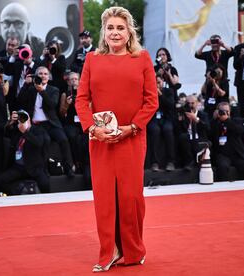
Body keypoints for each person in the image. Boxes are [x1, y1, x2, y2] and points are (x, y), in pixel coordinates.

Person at [75, 7, 158, 272]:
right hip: (100, 140)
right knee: (104, 198)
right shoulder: (92, 59)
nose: (115, 32)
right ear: (104, 32)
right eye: (110, 28)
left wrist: (131, 127)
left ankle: (133, 250)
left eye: (120, 28)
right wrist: (92, 129)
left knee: (131, 197)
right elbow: (82, 99)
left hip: (132, 138)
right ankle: (109, 252)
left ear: (129, 31)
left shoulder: (142, 58)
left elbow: (151, 100)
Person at [17, 66, 75, 177]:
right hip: (37, 125)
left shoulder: (54, 89)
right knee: (45, 141)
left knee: (63, 139)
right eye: (40, 74)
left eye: (45, 74)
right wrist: (25, 84)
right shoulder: (30, 89)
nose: (43, 76)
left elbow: (52, 104)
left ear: (48, 77)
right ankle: (44, 170)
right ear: (36, 76)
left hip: (51, 123)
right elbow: (19, 101)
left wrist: (42, 91)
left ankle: (69, 167)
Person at [0, 110, 50, 194]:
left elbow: (39, 143)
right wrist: (10, 123)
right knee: (1, 180)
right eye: (20, 119)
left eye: (25, 118)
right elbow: (3, 132)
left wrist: (25, 132)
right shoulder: (16, 131)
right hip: (18, 167)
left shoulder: (38, 130)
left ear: (29, 120)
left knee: (45, 183)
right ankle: (18, 193)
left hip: (34, 167)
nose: (22, 121)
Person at [210, 102, 244, 181]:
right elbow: (211, 133)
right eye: (222, 111)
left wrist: (227, 120)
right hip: (223, 154)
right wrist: (215, 119)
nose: (225, 113)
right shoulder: (215, 122)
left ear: (230, 111)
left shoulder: (236, 120)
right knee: (222, 166)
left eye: (227, 111)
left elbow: (239, 131)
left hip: (236, 153)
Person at [147, 75, 178, 172]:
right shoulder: (149, 93)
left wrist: (160, 94)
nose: (156, 85)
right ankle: (154, 162)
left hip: (166, 118)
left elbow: (170, 105)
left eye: (159, 82)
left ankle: (171, 161)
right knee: (155, 131)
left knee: (168, 130)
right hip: (154, 118)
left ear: (163, 82)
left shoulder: (169, 91)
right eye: (155, 83)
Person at [177, 95, 210, 170]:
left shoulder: (203, 115)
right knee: (183, 137)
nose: (190, 105)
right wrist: (181, 120)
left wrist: (196, 119)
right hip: (188, 135)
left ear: (197, 103)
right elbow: (179, 128)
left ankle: (196, 162)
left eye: (192, 103)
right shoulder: (183, 114)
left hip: (199, 136)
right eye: (188, 103)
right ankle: (189, 162)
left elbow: (207, 127)